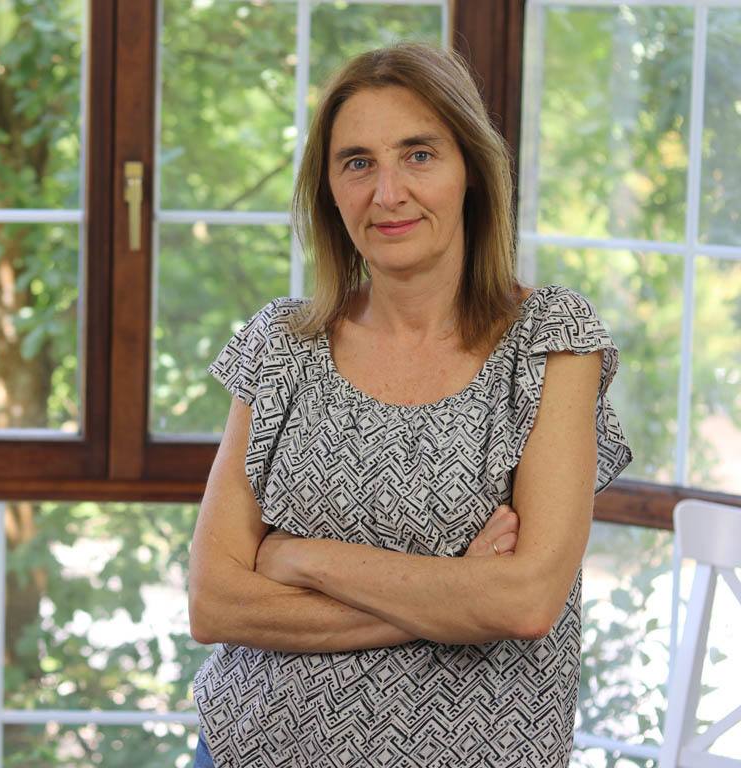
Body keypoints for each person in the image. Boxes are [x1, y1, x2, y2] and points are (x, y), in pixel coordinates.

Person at [187, 43, 633, 767]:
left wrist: (298, 557)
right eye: (357, 163)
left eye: (418, 155)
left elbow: (524, 603)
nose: (387, 192)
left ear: (470, 170)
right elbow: (213, 603)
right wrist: (456, 596)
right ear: (330, 189)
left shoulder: (550, 339)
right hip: (247, 747)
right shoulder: (282, 343)